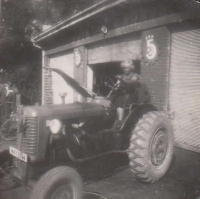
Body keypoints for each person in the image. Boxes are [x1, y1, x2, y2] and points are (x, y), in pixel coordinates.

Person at [114, 60, 140, 124]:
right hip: (123, 93)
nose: (125, 69)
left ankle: (120, 120)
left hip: (132, 93)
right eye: (124, 68)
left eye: (127, 68)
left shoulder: (135, 75)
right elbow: (117, 84)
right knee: (112, 98)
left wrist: (121, 79)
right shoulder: (122, 76)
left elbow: (132, 82)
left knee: (120, 101)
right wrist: (115, 87)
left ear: (131, 68)